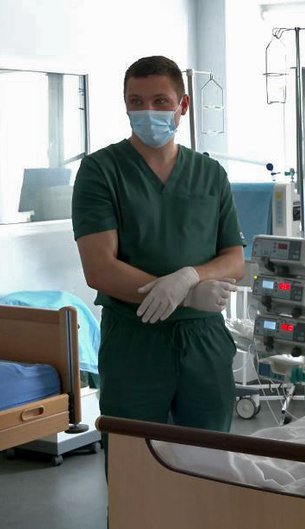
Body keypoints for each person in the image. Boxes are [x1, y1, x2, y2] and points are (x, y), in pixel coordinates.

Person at [71, 56, 244, 442]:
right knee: (134, 460)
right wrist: (186, 295)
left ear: (183, 105)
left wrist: (190, 277)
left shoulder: (210, 174)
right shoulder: (102, 171)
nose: (147, 111)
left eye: (160, 101)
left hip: (204, 339)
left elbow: (234, 260)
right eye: (136, 102)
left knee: (209, 459)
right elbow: (99, 268)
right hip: (135, 339)